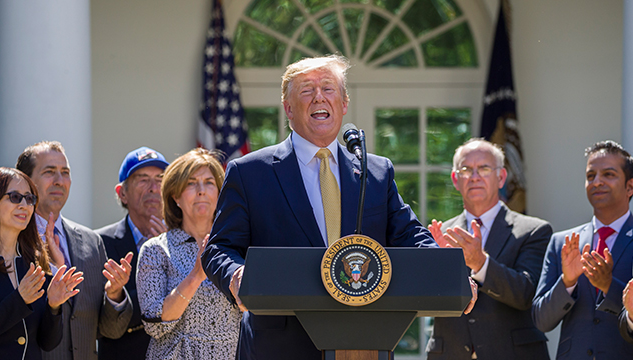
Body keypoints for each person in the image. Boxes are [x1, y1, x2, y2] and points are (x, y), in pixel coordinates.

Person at [202, 55, 476, 360]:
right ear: (288, 108)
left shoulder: (376, 171)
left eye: (328, 88)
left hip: (363, 339)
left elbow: (411, 236)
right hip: (278, 346)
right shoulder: (250, 172)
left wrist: (450, 275)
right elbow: (218, 248)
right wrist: (236, 274)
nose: (319, 96)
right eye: (306, 90)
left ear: (344, 103)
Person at [426, 139, 551, 359]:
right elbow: (426, 302)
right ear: (455, 179)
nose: (474, 176)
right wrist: (440, 268)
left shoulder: (533, 231)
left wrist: (480, 263)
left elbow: (527, 294)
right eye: (466, 169)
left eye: (484, 168)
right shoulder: (440, 234)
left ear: (501, 177)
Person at [16, 141, 134, 360]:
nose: (59, 181)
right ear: (26, 182)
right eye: (49, 172)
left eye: (65, 172)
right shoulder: (12, 240)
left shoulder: (91, 242)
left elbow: (110, 330)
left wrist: (115, 294)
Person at [137, 148, 242, 359]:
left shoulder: (239, 246)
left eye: (209, 183)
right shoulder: (156, 250)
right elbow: (154, 325)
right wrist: (196, 275)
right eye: (191, 183)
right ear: (175, 196)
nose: (201, 190)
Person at [532, 140, 633, 358]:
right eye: (590, 176)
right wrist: (567, 283)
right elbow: (541, 320)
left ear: (630, 187)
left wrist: (608, 286)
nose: (597, 182)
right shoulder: (562, 242)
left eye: (608, 174)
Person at [0, 167, 83, 359]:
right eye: (15, 197)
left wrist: (54, 306)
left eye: (30, 199)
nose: (25, 205)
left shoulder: (34, 264)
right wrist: (19, 300)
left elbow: (48, 343)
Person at [96, 147, 169, 360]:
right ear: (122, 193)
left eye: (160, 179)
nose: (154, 188)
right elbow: (100, 320)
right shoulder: (99, 243)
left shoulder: (185, 241)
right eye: (143, 179)